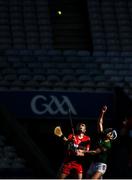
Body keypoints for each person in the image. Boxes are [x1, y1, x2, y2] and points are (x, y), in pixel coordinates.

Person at [86, 105, 117, 179]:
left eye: (111, 133)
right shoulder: (102, 135)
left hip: (101, 165)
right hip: (93, 163)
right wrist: (102, 113)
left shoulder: (108, 144)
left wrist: (83, 151)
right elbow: (100, 123)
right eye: (110, 131)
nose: (109, 131)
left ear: (111, 137)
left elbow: (95, 152)